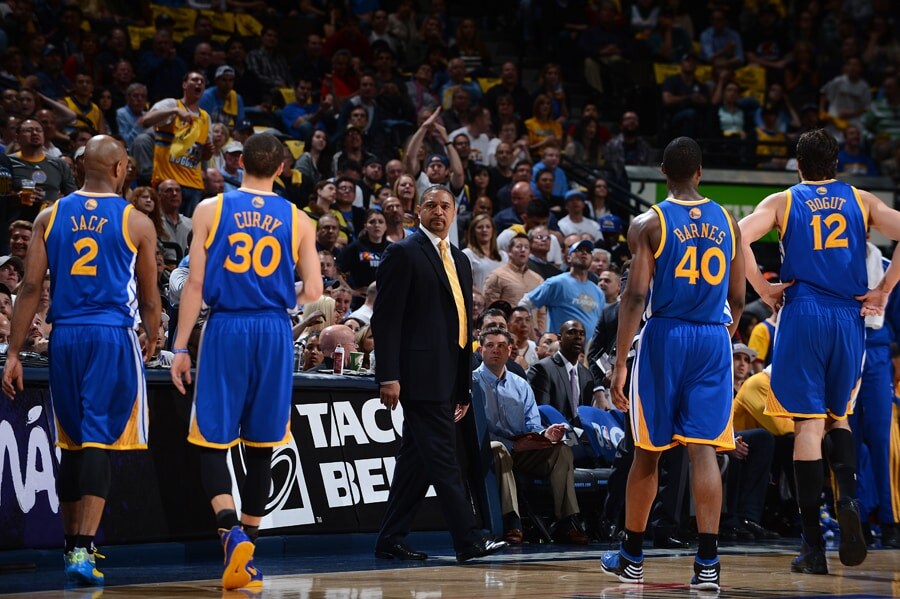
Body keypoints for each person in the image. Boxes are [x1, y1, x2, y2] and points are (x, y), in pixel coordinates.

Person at [737, 128, 900, 575]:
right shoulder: (862, 200)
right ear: (837, 162)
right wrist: (884, 289)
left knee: (808, 427)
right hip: (849, 316)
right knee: (840, 417)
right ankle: (847, 496)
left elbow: (735, 237)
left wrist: (763, 287)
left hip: (804, 312)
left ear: (798, 164)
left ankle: (813, 546)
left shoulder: (782, 202)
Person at [2, 135, 161, 586]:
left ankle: (72, 547)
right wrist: (154, 334)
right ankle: (84, 548)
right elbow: (150, 297)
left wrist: (13, 354)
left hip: (65, 336)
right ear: (117, 169)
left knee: (70, 442)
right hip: (111, 335)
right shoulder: (137, 222)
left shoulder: (49, 216)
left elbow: (29, 289)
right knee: (96, 440)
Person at [170, 133, 322, 590]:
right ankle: (248, 551)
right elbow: (314, 294)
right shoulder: (300, 219)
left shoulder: (208, 209)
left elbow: (194, 285)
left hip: (227, 327)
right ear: (280, 169)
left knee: (211, 440)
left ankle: (229, 529)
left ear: (238, 165)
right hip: (274, 329)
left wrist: (180, 347)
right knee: (261, 447)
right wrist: (279, 293)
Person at [601, 137, 745, 592]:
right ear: (700, 172)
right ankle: (707, 564)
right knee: (703, 450)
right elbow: (739, 297)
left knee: (648, 450)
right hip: (712, 337)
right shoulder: (729, 220)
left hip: (665, 337)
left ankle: (633, 556)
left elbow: (636, 296)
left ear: (664, 171)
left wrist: (620, 363)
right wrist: (723, 333)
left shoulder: (649, 222)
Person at [372, 185, 507, 563]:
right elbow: (386, 319)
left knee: (417, 463)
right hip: (417, 376)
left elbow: (463, 324)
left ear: (454, 212)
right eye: (430, 205)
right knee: (447, 460)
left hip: (449, 376)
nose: (438, 211)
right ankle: (469, 540)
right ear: (418, 211)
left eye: (445, 206)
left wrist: (463, 385)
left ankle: (390, 538)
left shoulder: (461, 260)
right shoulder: (402, 252)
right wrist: (388, 376)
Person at [474, 326, 588, 546]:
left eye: (500, 346)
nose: (495, 350)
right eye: (489, 346)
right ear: (480, 351)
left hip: (524, 449)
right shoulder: (471, 383)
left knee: (561, 450)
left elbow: (533, 424)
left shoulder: (521, 385)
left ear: (509, 351)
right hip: (488, 452)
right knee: (498, 448)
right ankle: (511, 521)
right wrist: (513, 445)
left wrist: (544, 434)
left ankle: (566, 521)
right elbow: (475, 431)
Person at [519, 239, 605, 335]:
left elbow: (601, 324)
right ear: (568, 258)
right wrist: (530, 327)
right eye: (579, 250)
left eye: (588, 251)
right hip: (560, 347)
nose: (584, 253)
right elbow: (525, 303)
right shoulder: (557, 283)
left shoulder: (598, 292)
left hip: (589, 349)